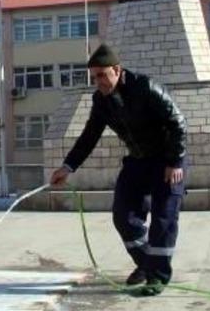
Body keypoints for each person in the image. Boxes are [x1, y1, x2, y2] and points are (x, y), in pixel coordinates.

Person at [50, 44, 187, 296]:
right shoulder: (101, 100)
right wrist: (67, 166)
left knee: (163, 218)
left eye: (102, 75)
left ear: (117, 70)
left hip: (166, 160)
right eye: (94, 77)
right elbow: (89, 135)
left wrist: (175, 161)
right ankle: (146, 264)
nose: (98, 82)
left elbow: (177, 122)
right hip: (138, 161)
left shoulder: (145, 87)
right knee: (123, 216)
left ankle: (157, 276)